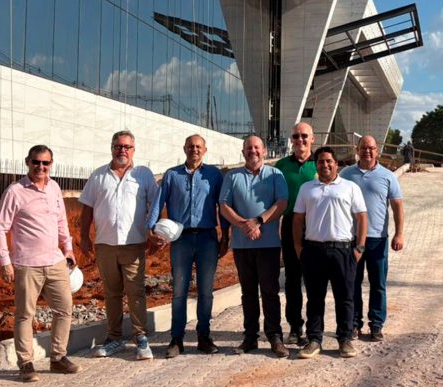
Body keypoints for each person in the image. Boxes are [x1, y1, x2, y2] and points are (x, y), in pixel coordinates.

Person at [0, 145, 78, 382]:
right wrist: (5, 262)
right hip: (27, 264)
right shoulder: (15, 192)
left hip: (55, 262)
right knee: (25, 315)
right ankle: (26, 363)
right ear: (27, 162)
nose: (41, 167)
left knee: (64, 310)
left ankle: (58, 358)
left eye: (45, 163)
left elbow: (62, 222)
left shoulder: (54, 187)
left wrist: (68, 249)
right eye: (36, 162)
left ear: (51, 164)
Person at [79, 131, 159, 360]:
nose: (122, 150)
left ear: (133, 150)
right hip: (105, 245)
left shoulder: (143, 175)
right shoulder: (98, 176)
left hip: (134, 244)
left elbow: (155, 204)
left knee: (135, 292)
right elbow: (87, 209)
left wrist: (155, 233)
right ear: (112, 148)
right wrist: (84, 237)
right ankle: (114, 338)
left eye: (126, 146)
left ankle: (140, 337)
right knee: (112, 293)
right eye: (118, 146)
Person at [148, 135, 229, 358]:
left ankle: (204, 337)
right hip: (180, 240)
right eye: (191, 146)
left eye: (198, 146)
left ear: (205, 150)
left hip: (207, 239)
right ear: (184, 149)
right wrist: (151, 228)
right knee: (179, 291)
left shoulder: (214, 175)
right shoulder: (172, 175)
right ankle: (177, 339)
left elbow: (222, 206)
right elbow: (159, 202)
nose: (194, 149)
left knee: (206, 291)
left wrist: (225, 235)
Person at [293, 147, 367, 359]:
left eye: (328, 161)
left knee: (345, 298)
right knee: (314, 298)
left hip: (343, 251)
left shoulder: (350, 187)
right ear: (316, 165)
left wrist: (360, 247)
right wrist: (298, 247)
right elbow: (298, 219)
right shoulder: (307, 188)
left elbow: (362, 217)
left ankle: (345, 339)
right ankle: (314, 340)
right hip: (313, 251)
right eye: (320, 162)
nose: (324, 165)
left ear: (336, 164)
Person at [220, 135, 290, 357]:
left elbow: (282, 203)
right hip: (242, 245)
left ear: (264, 151)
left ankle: (275, 336)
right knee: (248, 292)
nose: (253, 151)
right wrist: (244, 225)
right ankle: (250, 337)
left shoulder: (275, 175)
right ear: (243, 152)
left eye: (257, 147)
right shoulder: (232, 177)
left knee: (270, 291)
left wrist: (258, 221)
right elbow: (224, 205)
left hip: (268, 244)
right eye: (249, 148)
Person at [341, 136, 404, 342]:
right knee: (353, 283)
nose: (367, 151)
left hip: (378, 239)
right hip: (352, 239)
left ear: (377, 151)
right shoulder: (346, 174)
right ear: (357, 150)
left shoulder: (388, 176)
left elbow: (397, 206)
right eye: (363, 148)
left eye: (371, 148)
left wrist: (399, 233)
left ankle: (376, 324)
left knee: (378, 284)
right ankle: (354, 323)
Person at [273, 122, 316, 345]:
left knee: (314, 279)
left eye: (304, 136)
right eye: (296, 136)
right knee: (292, 279)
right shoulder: (281, 166)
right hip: (290, 225)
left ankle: (314, 328)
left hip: (316, 227)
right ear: (291, 140)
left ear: (312, 139)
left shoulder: (321, 163)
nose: (300, 140)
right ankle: (295, 326)